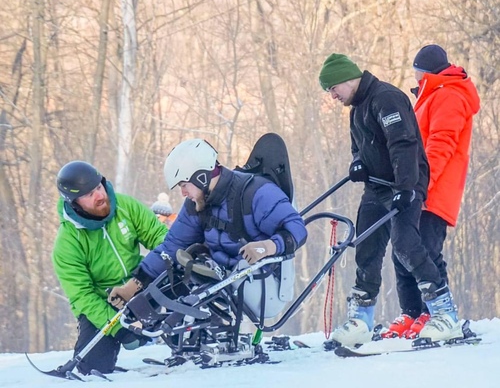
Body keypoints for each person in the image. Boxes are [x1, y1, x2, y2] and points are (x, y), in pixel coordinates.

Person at [318, 53, 461, 347]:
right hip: (377, 188)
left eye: (333, 89)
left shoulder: (387, 98)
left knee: (406, 244)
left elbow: (404, 144)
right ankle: (361, 318)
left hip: (405, 184)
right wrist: (358, 162)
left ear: (348, 79)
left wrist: (406, 187)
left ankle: (444, 313)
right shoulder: (357, 108)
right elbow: (359, 145)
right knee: (366, 246)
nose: (332, 96)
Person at [108, 138, 307, 321]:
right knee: (180, 261)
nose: (183, 193)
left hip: (262, 285)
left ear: (202, 177)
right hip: (221, 280)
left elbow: (297, 229)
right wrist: (133, 286)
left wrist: (268, 246)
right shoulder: (197, 204)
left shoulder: (257, 193)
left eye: (185, 185)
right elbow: (171, 246)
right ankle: (146, 320)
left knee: (212, 271)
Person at [383, 45, 480, 338]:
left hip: (434, 191)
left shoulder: (448, 95)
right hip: (417, 188)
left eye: (417, 71)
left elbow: (440, 144)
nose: (414, 76)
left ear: (425, 72)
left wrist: (422, 184)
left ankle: (437, 314)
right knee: (402, 250)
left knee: (425, 249)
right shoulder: (430, 96)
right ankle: (412, 313)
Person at [52, 161, 168, 375]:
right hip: (103, 303)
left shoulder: (126, 206)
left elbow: (160, 238)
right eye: (88, 194)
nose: (99, 196)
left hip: (139, 285)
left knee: (176, 268)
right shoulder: (67, 243)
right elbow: (82, 297)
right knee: (94, 367)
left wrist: (152, 271)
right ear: (74, 203)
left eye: (98, 187)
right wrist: (119, 329)